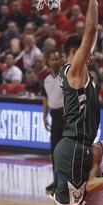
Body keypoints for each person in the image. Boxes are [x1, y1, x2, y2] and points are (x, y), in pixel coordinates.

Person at [7, 0, 100, 205]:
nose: (90, 54)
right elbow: (91, 32)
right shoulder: (75, 69)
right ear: (75, 51)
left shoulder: (71, 71)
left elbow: (90, 39)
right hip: (73, 146)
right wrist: (93, 0)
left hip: (75, 147)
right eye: (85, 50)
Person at [42, 51, 65, 192]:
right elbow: (45, 98)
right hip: (54, 116)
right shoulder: (46, 79)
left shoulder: (66, 76)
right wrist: (44, 116)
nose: (55, 61)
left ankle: (64, 183)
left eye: (57, 58)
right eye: (53, 59)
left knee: (64, 152)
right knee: (54, 151)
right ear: (49, 61)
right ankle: (56, 181)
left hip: (66, 116)